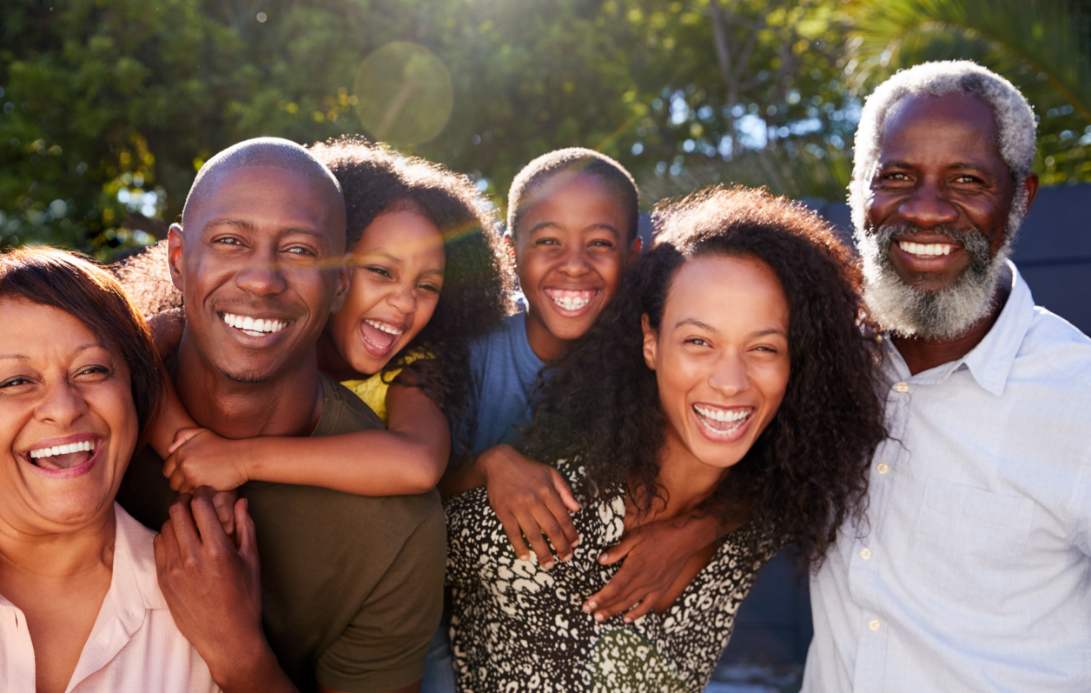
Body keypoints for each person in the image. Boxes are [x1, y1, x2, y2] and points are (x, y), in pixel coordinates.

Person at [445, 187, 887, 692]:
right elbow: (401, 542)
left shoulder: (763, 513)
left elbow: (782, 494)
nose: (730, 380)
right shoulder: (546, 514)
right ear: (651, 342)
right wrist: (485, 466)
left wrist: (702, 526)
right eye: (699, 341)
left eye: (764, 347)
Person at [114, 137, 447, 693]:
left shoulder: (397, 529)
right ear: (177, 259)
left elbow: (418, 462)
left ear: (339, 280)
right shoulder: (89, 420)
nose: (262, 278)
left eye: (299, 251)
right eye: (229, 241)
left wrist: (238, 653)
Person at [802, 61, 1091, 692]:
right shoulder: (822, 363)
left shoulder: (1079, 398)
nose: (927, 211)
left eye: (966, 180)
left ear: (1021, 199)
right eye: (898, 176)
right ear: (860, 194)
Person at [114, 138, 512, 500]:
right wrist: (187, 446)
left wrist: (239, 460)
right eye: (381, 272)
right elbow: (134, 357)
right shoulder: (216, 327)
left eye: (427, 286)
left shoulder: (408, 375)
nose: (405, 302)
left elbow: (418, 463)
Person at [0, 247, 229, 692]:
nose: (64, 409)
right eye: (15, 382)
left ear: (134, 394)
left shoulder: (210, 606)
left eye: (92, 370)